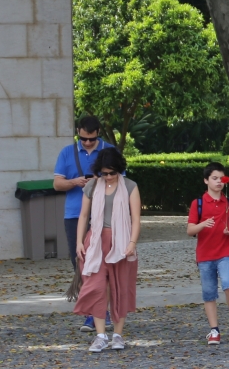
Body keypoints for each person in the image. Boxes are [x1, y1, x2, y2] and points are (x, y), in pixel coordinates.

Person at [74, 148, 140, 352]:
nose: (109, 176)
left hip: (121, 241)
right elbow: (84, 216)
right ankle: (101, 335)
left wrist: (132, 243)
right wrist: (79, 242)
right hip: (95, 241)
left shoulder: (130, 186)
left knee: (120, 287)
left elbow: (136, 219)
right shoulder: (93, 186)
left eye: (112, 172)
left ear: (119, 169)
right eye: (104, 173)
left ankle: (118, 335)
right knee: (96, 286)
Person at [53, 115, 115, 332]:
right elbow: (57, 184)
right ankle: (92, 312)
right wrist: (74, 182)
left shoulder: (110, 150)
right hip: (74, 214)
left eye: (92, 139)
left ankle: (101, 312)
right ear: (78, 132)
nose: (87, 143)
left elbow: (121, 181)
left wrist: (100, 180)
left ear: (98, 132)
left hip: (105, 215)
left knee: (105, 265)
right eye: (83, 139)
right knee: (81, 263)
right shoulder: (66, 153)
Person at [187, 162, 229, 345]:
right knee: (209, 292)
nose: (219, 182)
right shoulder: (198, 203)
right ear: (206, 181)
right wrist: (203, 224)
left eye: (221, 178)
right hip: (204, 255)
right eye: (214, 178)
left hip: (225, 251)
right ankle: (214, 330)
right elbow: (190, 230)